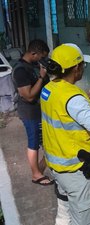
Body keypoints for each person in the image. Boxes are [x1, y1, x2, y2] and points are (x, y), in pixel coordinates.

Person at [40, 43, 90, 224]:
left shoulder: (49, 88)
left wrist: (87, 98)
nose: (83, 69)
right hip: (76, 172)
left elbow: (66, 108)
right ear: (77, 68)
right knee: (84, 219)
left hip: (57, 167)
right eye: (83, 65)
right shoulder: (74, 99)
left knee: (64, 212)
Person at [12, 39, 53, 185]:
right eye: (42, 57)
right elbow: (29, 96)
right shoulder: (20, 70)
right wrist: (41, 76)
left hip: (39, 110)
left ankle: (40, 168)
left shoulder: (34, 65)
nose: (43, 60)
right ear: (34, 53)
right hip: (29, 112)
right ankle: (36, 175)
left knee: (46, 141)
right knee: (33, 142)